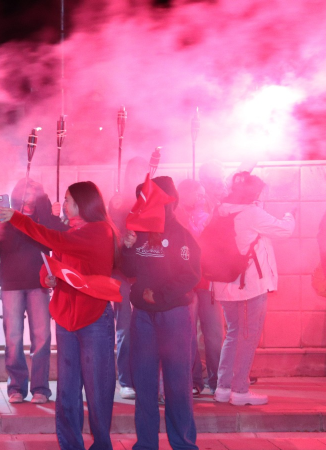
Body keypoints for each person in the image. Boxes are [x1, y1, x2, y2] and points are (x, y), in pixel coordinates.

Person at [0, 181, 119, 450]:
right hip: (66, 318)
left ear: (83, 203)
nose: (63, 204)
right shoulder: (72, 231)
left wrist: (18, 218)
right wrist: (48, 278)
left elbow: (56, 241)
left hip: (93, 318)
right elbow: (52, 265)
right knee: (67, 391)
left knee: (98, 390)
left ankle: (102, 444)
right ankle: (70, 445)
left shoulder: (100, 231)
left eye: (67, 200)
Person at [122, 176, 201, 450]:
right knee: (144, 384)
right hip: (143, 316)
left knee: (177, 383)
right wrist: (128, 247)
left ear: (167, 202)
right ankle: (145, 444)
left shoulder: (182, 235)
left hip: (173, 316)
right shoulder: (139, 231)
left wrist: (161, 295)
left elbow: (190, 275)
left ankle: (183, 444)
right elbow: (128, 270)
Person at [211, 172, 295, 406]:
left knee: (234, 334)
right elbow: (284, 230)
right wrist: (290, 214)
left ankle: (223, 388)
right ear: (253, 193)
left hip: (223, 283)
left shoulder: (221, 210)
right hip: (248, 286)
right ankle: (240, 391)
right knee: (249, 337)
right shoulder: (251, 213)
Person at [0, 178, 65, 404]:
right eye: (25, 191)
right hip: (11, 283)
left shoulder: (44, 215)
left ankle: (40, 388)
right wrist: (4, 220)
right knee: (13, 338)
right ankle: (16, 387)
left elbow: (58, 238)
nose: (29, 196)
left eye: (34, 191)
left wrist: (49, 211)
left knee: (42, 338)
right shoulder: (8, 215)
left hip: (39, 283)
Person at [176, 179, 223, 396]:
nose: (202, 199)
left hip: (208, 281)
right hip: (186, 282)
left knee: (214, 333)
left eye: (204, 194)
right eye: (199, 194)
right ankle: (195, 380)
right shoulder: (176, 217)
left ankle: (218, 380)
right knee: (189, 333)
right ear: (185, 195)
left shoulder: (210, 217)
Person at [107, 157, 148, 399]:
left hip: (146, 271)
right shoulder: (118, 200)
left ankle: (144, 375)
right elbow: (110, 233)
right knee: (124, 327)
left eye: (142, 171)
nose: (138, 175)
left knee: (146, 327)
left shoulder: (151, 199)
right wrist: (113, 209)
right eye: (134, 171)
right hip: (122, 271)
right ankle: (126, 379)